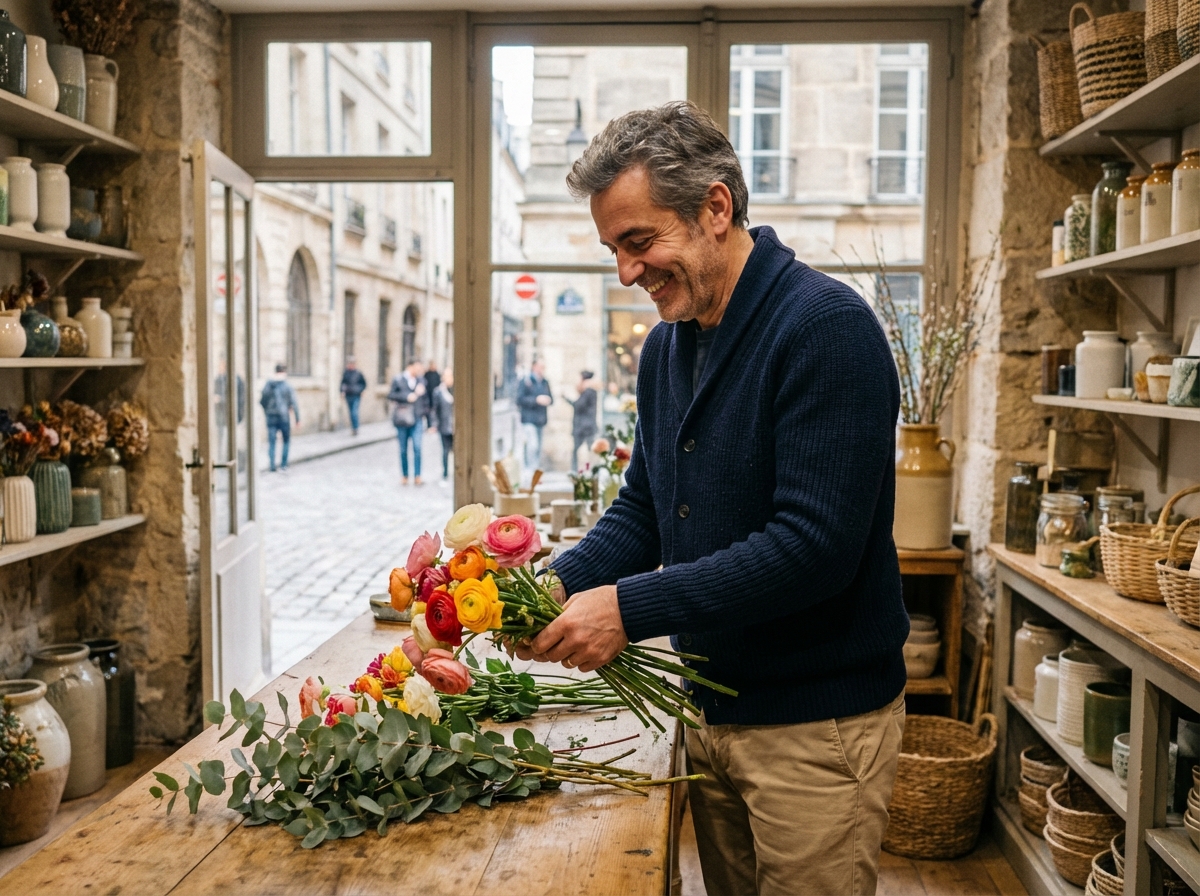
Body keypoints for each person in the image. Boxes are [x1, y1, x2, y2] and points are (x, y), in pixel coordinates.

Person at [515, 101, 908, 896]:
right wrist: (548, 586)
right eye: (613, 250)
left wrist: (626, 609)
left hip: (815, 727)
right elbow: (646, 510)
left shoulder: (827, 327)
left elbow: (813, 549)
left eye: (639, 241)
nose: (627, 272)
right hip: (711, 710)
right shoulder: (667, 348)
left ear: (716, 208)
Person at [388, 360, 428, 485]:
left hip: (417, 418)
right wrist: (407, 397)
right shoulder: (398, 379)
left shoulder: (421, 380)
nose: (419, 370)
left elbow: (426, 400)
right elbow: (391, 395)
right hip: (402, 419)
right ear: (410, 367)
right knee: (403, 449)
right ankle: (405, 475)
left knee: (417, 447)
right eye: (417, 368)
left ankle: (417, 475)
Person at [260, 363, 300, 472]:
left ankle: (272, 465)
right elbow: (294, 403)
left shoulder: (269, 384)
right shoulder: (287, 385)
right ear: (284, 372)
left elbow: (262, 400)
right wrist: (297, 419)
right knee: (286, 440)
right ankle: (283, 464)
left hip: (271, 416)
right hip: (283, 417)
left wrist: (267, 411)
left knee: (272, 441)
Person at [516, 359, 552, 470]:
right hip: (529, 418)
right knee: (532, 445)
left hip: (540, 419)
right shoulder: (526, 381)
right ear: (534, 367)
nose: (542, 370)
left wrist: (547, 400)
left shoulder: (545, 382)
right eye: (540, 367)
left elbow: (551, 398)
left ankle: (535, 469)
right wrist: (536, 400)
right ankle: (530, 469)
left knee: (538, 448)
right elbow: (519, 399)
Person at [564, 370, 599, 471]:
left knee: (584, 451)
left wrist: (568, 398)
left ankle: (579, 471)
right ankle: (586, 470)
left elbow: (578, 405)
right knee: (586, 451)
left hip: (584, 427)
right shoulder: (590, 392)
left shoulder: (588, 392)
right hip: (586, 426)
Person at [431, 368, 454, 484]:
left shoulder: (457, 390)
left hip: (456, 426)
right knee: (445, 450)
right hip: (445, 425)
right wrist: (434, 424)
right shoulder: (439, 392)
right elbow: (435, 410)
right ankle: (445, 472)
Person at [340, 357, 367, 436]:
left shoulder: (358, 373)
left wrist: (361, 390)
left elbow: (364, 384)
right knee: (351, 412)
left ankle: (355, 428)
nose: (350, 365)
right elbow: (342, 383)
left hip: (356, 395)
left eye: (352, 364)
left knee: (354, 412)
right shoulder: (346, 373)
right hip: (348, 395)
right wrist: (342, 391)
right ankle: (353, 427)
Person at [423, 360, 441, 428]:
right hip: (428, 395)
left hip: (435, 396)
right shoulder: (427, 374)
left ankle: (435, 424)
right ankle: (429, 425)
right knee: (428, 411)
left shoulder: (437, 374)